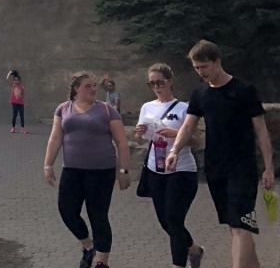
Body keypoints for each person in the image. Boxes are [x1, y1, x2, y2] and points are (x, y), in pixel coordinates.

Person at [167, 40, 274, 268]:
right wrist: (175, 149)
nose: (200, 72)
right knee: (234, 227)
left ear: (217, 62)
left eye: (204, 66)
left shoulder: (244, 90)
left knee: (240, 226)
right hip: (215, 167)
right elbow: (188, 126)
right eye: (196, 67)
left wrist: (268, 168)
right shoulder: (200, 93)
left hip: (242, 168)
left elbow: (261, 132)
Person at [43, 71, 130, 268]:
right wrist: (48, 165)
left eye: (94, 86)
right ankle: (88, 245)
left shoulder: (107, 110)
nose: (93, 89)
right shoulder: (63, 109)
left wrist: (123, 170)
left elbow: (122, 141)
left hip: (101, 172)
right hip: (72, 171)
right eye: (88, 86)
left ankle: (102, 262)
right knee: (67, 210)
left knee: (98, 215)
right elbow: (55, 138)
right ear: (76, 89)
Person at [134, 63, 204, 268]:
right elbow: (140, 141)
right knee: (165, 221)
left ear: (169, 81)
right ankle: (194, 250)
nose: (156, 87)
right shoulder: (147, 107)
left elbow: (197, 142)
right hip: (156, 169)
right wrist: (139, 133)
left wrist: (176, 134)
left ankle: (178, 264)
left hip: (181, 170)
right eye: (152, 83)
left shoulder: (184, 108)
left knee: (174, 219)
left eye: (160, 82)